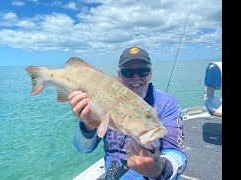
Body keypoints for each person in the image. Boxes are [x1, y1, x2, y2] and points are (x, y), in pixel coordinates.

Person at [69, 46, 187, 179]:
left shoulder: (167, 103)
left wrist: (158, 169)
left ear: (150, 73)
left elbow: (178, 154)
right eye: (128, 72)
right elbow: (83, 148)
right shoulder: (104, 100)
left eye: (143, 71)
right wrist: (88, 124)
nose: (136, 77)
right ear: (119, 75)